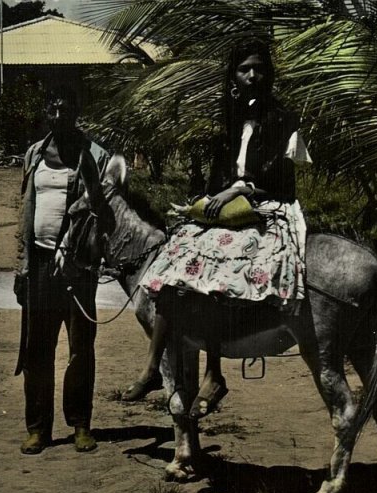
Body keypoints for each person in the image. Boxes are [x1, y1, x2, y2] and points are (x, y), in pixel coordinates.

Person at [123, 39, 311, 419]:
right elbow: (220, 172)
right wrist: (206, 202)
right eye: (244, 69)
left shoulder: (283, 118)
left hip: (265, 206)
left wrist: (235, 191)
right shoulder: (229, 116)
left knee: (219, 270)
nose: (252, 75)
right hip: (229, 206)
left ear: (268, 73)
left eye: (259, 68)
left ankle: (213, 371)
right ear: (233, 75)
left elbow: (279, 178)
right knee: (174, 263)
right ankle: (152, 366)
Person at [13, 87, 110, 454]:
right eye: (52, 110)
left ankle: (81, 425)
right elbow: (25, 211)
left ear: (75, 114)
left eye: (65, 110)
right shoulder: (35, 155)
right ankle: (38, 428)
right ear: (45, 114)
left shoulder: (94, 155)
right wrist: (22, 267)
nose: (58, 117)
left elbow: (104, 209)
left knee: (80, 348)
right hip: (38, 264)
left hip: (77, 266)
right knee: (37, 348)